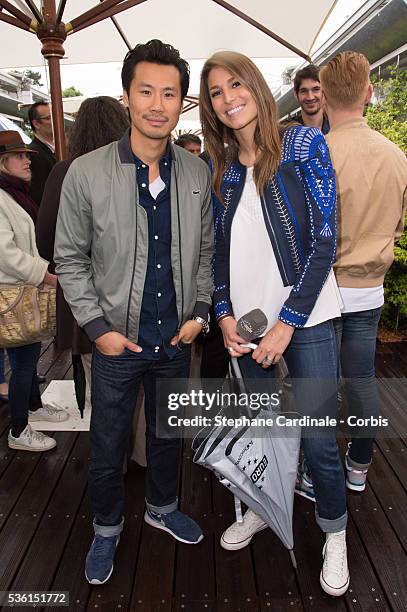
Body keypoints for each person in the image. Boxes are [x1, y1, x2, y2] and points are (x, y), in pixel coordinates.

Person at [54, 40, 213, 585]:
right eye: (146, 90)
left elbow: (208, 252)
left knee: (169, 438)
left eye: (170, 93)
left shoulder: (195, 174)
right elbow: (69, 259)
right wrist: (98, 331)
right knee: (108, 442)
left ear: (181, 103)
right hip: (116, 342)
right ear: (127, 96)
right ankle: (105, 527)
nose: (157, 103)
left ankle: (163, 508)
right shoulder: (86, 173)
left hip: (176, 339)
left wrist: (200, 311)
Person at [199, 51, 349, 597]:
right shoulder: (220, 169)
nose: (227, 97)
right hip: (246, 325)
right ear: (210, 107)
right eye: (215, 92)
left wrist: (288, 321)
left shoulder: (305, 145)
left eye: (235, 84)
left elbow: (326, 241)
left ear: (255, 87)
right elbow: (218, 255)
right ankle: (267, 507)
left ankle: (334, 531)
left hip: (305, 320)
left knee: (316, 436)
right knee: (266, 430)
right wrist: (222, 314)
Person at [319, 51, 407, 490]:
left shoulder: (319, 153)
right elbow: (398, 223)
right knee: (362, 378)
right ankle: (359, 464)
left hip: (322, 291)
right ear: (369, 92)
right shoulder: (396, 156)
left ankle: (316, 472)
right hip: (370, 287)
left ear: (324, 95)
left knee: (315, 382)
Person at [36, 96, 131, 409]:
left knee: (101, 389)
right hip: (138, 296)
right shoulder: (139, 169)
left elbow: (46, 243)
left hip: (84, 300)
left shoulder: (65, 172)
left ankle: (114, 454)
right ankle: (143, 457)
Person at [0, 131, 68, 452]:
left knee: (25, 357)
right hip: (12, 292)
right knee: (25, 363)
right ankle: (18, 430)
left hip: (21, 291)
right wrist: (46, 273)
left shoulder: (14, 193)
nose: (28, 160)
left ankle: (33, 408)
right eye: (19, 155)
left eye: (27, 154)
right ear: (3, 162)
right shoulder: (3, 196)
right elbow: (6, 253)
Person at [27, 101, 55, 206]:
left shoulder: (61, 148)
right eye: (48, 118)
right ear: (36, 124)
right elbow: (40, 194)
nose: (54, 120)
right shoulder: (34, 154)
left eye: (54, 116)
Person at [293, 64, 330, 134]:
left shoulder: (336, 127)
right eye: (304, 91)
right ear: (295, 94)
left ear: (324, 91)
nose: (310, 97)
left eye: (316, 89)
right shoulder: (287, 132)